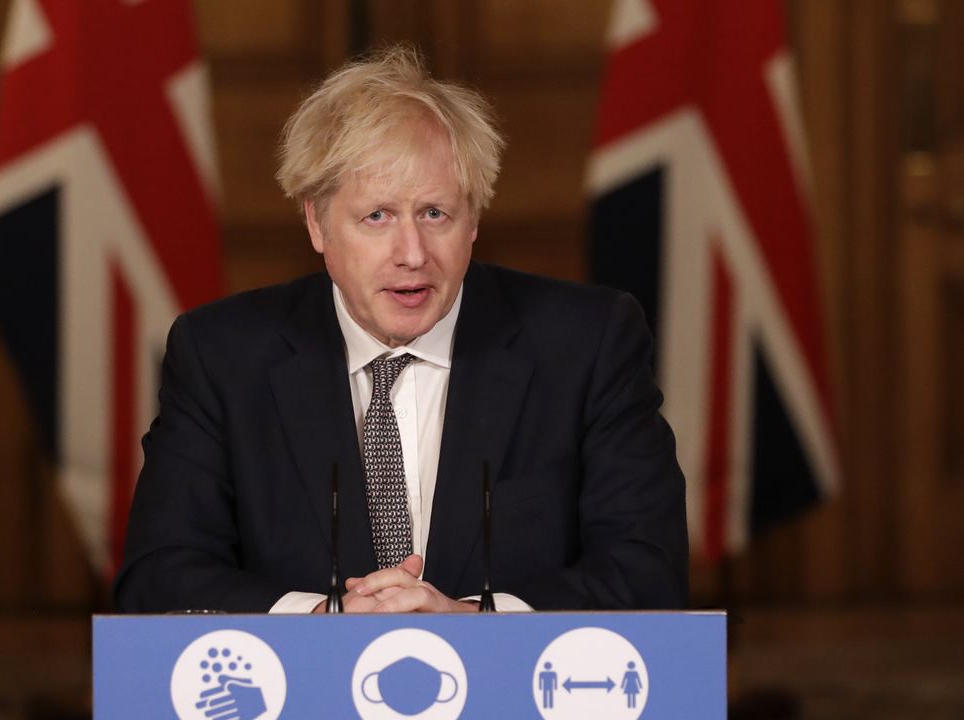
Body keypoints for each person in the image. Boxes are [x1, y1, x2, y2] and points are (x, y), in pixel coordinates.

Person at [113, 45, 687, 614]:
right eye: (377, 216)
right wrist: (321, 623)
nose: (411, 254)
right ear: (317, 222)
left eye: (435, 213)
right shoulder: (221, 356)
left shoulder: (588, 343)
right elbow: (159, 576)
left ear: (474, 220)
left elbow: (648, 567)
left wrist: (476, 623)